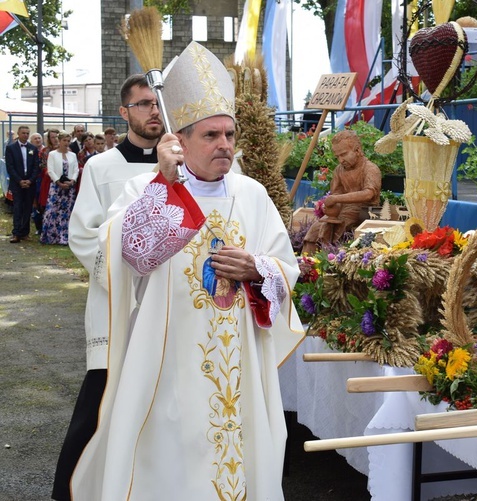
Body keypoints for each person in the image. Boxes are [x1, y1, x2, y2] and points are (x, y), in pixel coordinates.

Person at [70, 42, 303, 501]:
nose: (225, 146)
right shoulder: (146, 188)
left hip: (238, 364)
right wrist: (164, 187)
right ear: (182, 139)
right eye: (212, 136)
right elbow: (128, 258)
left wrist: (257, 268)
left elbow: (286, 269)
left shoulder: (252, 194)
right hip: (169, 357)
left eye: (230, 136)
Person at [51, 74, 166, 501]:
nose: (153, 111)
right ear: (124, 112)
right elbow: (82, 235)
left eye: (157, 104)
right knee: (99, 405)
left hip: (169, 304)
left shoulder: (182, 164)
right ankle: (70, 491)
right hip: (117, 303)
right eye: (143, 104)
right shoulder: (101, 166)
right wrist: (130, 272)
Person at [302, 129, 382, 254]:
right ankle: (307, 263)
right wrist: (329, 204)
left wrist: (337, 199)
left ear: (357, 150)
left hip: (365, 211)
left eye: (344, 154)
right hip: (342, 210)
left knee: (338, 225)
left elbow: (369, 193)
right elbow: (336, 193)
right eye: (337, 156)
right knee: (316, 229)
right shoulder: (339, 170)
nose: (340, 160)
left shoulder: (370, 168)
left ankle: (331, 259)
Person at [40, 131, 78, 245]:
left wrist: (72, 180)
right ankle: (51, 236)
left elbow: (76, 169)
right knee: (53, 210)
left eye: (68, 141)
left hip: (69, 187)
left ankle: (65, 236)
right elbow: (50, 170)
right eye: (64, 141)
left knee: (67, 211)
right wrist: (58, 182)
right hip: (56, 187)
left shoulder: (73, 155)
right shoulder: (52, 154)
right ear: (59, 141)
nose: (66, 143)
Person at [5, 125, 40, 243]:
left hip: (30, 183)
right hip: (17, 183)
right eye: (23, 133)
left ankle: (25, 232)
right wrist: (19, 180)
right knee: (18, 207)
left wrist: (30, 180)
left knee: (28, 208)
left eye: (27, 133)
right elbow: (10, 167)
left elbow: (36, 166)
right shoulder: (11, 148)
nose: (25, 135)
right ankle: (16, 233)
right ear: (18, 134)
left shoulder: (33, 148)